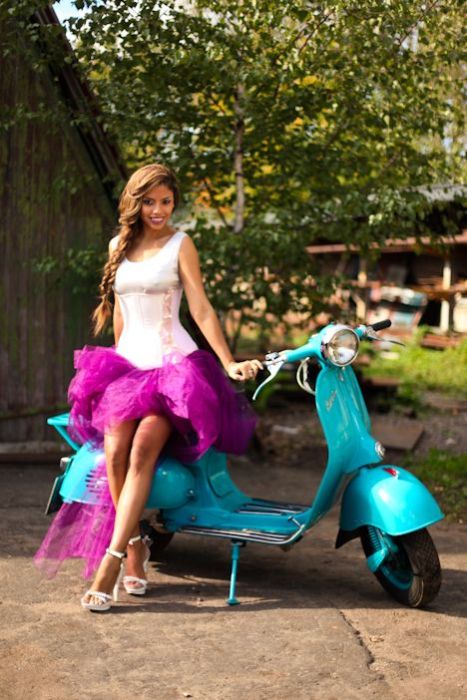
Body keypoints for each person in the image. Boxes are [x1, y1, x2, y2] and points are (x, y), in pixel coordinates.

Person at [34, 163, 262, 612]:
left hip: (174, 370)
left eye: (166, 202)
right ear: (135, 203)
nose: (158, 210)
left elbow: (199, 306)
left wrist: (228, 360)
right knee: (114, 452)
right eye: (150, 201)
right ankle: (136, 540)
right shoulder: (119, 244)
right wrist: (117, 369)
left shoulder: (181, 244)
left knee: (141, 450)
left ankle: (112, 561)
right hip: (129, 369)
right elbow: (120, 313)